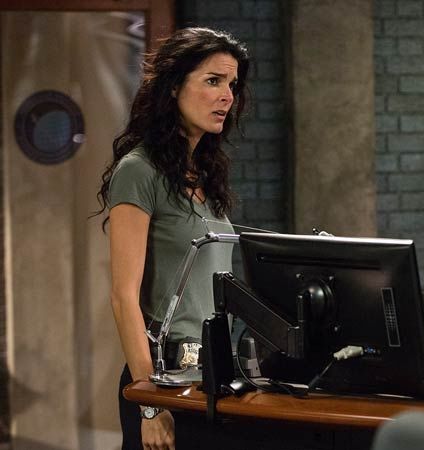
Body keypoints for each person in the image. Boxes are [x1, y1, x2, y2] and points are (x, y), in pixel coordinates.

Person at [95, 27, 249, 449]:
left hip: (213, 375)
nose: (227, 97)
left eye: (232, 85)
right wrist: (150, 405)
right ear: (174, 86)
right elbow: (123, 297)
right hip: (164, 379)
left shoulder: (206, 176)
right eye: (213, 81)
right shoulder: (139, 170)